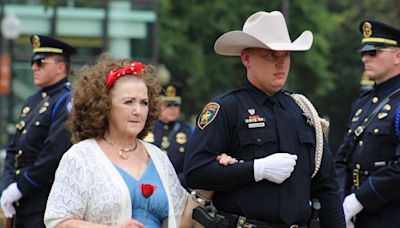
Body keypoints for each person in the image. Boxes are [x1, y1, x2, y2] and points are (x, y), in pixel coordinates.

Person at [183, 11, 345, 228]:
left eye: (285, 55)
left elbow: (327, 188)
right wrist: (255, 170)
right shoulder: (227, 108)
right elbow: (196, 172)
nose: (280, 63)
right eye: (270, 55)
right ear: (246, 58)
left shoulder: (303, 111)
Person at [43, 53, 188, 228]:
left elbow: (183, 217)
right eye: (129, 102)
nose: (138, 110)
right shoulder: (80, 157)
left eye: (144, 103)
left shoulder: (158, 157)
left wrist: (214, 167)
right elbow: (57, 222)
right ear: (104, 106)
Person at [0, 35, 76, 228]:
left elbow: (53, 153)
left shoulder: (66, 101)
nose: (34, 67)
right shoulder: (32, 101)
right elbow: (13, 148)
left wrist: (20, 187)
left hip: (45, 201)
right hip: (21, 201)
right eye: (33, 62)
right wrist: (8, 185)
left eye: (40, 62)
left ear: (60, 67)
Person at [335, 20, 400, 228]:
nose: (365, 57)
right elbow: (342, 160)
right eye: (363, 52)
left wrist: (359, 200)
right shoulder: (363, 103)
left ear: (398, 55)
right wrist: (340, 204)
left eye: (374, 52)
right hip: (357, 214)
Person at [144, 84, 193, 188]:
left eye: (176, 105)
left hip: (178, 186)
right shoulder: (146, 128)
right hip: (148, 185)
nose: (173, 109)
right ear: (158, 106)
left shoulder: (188, 131)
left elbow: (191, 165)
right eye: (168, 105)